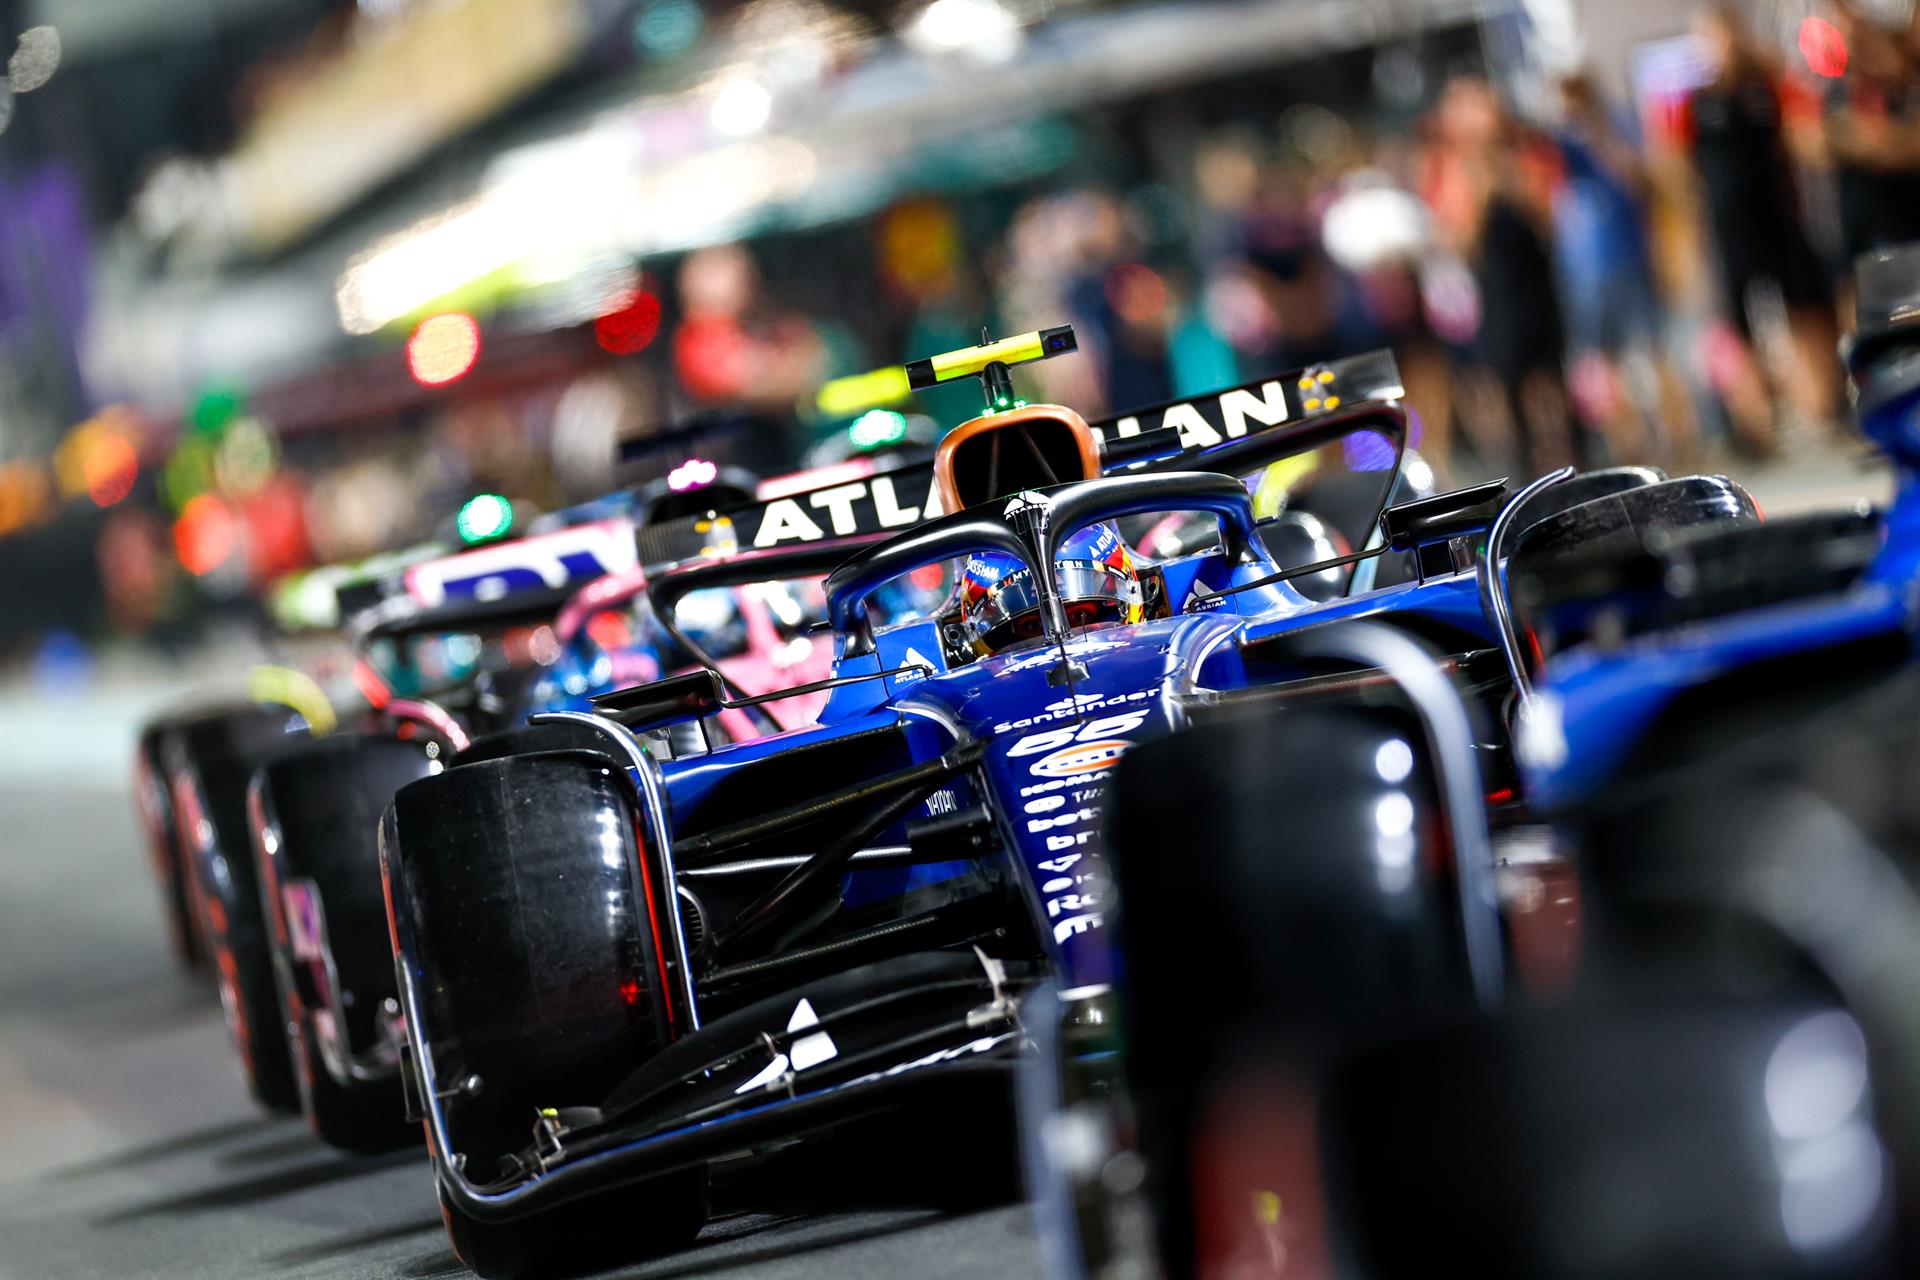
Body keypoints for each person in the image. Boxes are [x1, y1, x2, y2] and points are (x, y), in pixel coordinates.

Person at [1682, 3, 1842, 451]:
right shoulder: (1695, 103)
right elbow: (1679, 172)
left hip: (1778, 220)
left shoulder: (1767, 85)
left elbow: (1798, 138)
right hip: (1729, 231)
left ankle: (1825, 408)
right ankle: (1755, 428)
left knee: (1807, 309)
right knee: (1739, 328)